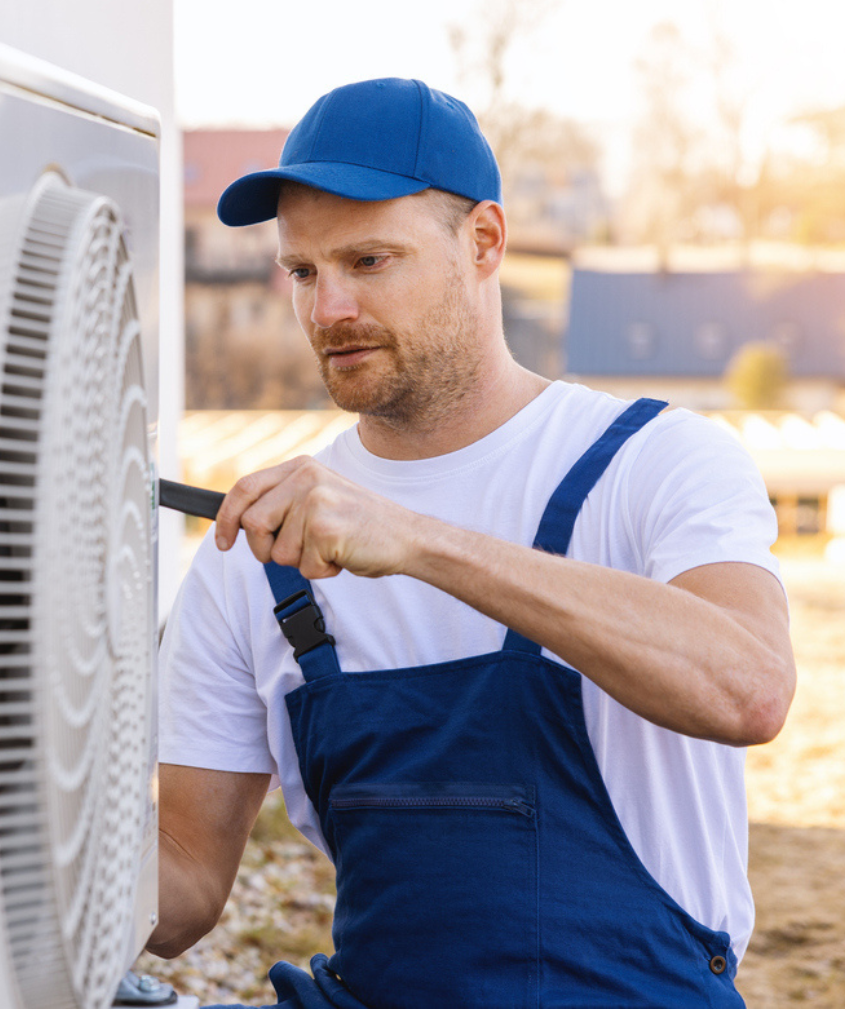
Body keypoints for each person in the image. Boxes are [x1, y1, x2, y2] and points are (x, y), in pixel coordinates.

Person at [150, 78, 795, 1008]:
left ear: (484, 241)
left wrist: (416, 541)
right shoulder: (252, 550)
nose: (328, 310)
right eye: (302, 271)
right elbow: (182, 896)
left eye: (369, 261)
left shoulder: (657, 462)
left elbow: (750, 687)